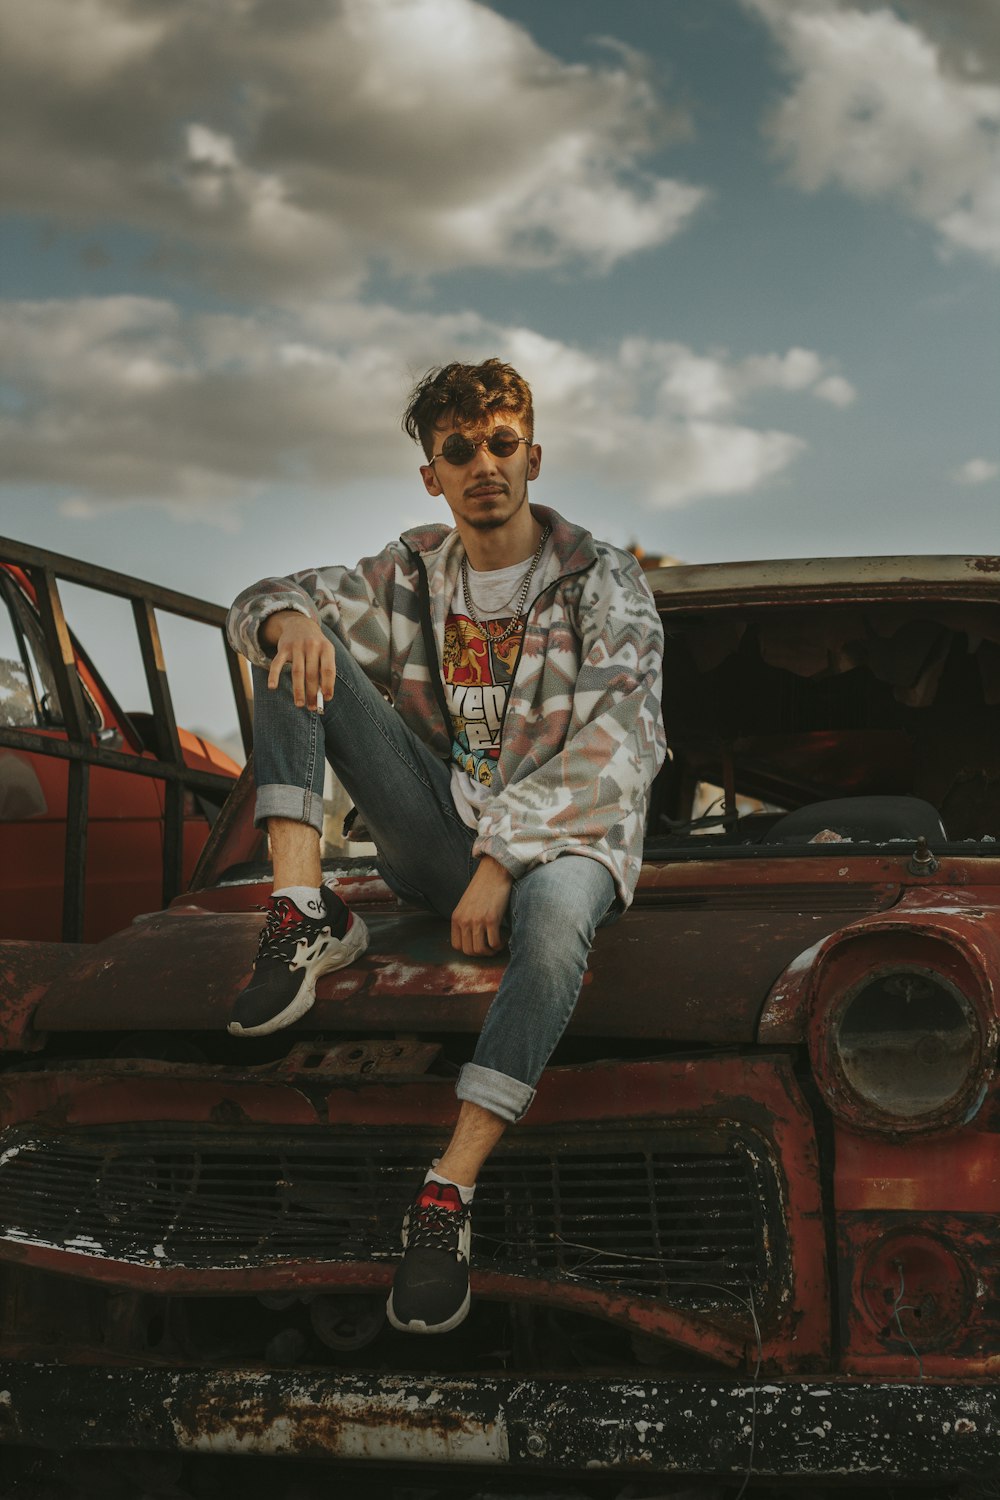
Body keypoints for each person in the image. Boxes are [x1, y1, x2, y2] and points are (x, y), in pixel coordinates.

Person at [226, 359, 666, 1335]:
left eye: (501, 443)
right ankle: (300, 909)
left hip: (569, 844)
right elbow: (270, 593)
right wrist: (288, 616)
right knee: (294, 640)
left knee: (552, 931)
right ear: (431, 474)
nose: (483, 464)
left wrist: (502, 860)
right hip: (443, 837)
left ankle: (446, 1192)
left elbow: (619, 740)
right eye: (458, 450)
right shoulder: (414, 572)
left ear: (533, 456)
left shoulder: (603, 579)